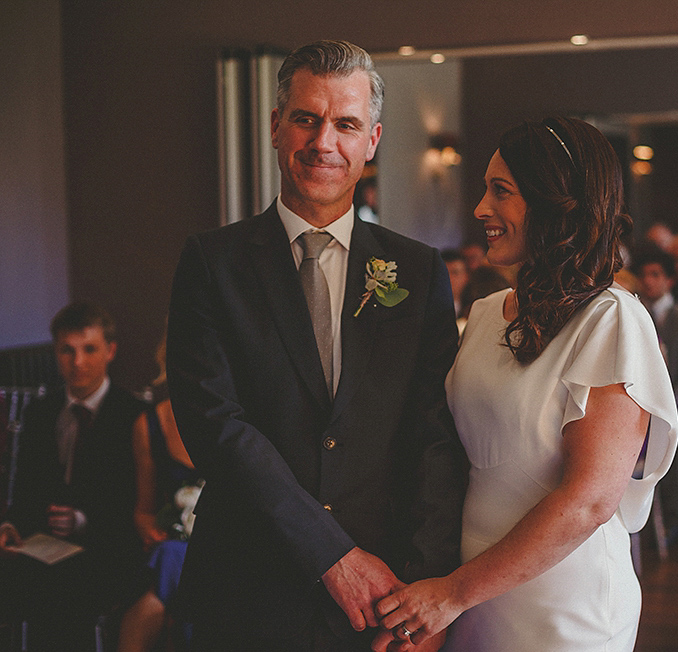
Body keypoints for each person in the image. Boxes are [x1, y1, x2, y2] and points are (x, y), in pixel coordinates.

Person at [165, 40, 466, 651]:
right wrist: (333, 557)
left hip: (385, 599)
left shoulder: (418, 271)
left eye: (346, 124)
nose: (324, 142)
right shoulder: (211, 263)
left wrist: (428, 594)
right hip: (247, 593)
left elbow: (435, 436)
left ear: (372, 141)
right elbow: (216, 427)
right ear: (277, 127)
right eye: (307, 117)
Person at [372, 117, 678, 652]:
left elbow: (588, 500)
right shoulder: (487, 313)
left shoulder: (611, 321)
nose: (480, 210)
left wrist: (451, 594)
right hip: (474, 600)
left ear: (555, 205)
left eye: (501, 192)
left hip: (560, 607)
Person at [0, 301, 147, 648]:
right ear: (56, 352)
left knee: (64, 585)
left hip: (106, 545)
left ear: (110, 351)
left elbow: (137, 501)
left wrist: (83, 519)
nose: (78, 362)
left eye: (89, 350)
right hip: (42, 545)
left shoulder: (134, 415)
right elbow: (24, 489)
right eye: (67, 351)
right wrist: (10, 527)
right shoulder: (40, 411)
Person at [118, 331, 202, 652]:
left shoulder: (244, 419)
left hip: (229, 550)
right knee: (169, 554)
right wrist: (149, 529)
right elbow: (143, 510)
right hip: (172, 547)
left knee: (170, 564)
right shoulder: (149, 424)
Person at [634, 245, 678, 543]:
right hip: (639, 402)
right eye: (644, 275)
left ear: (668, 280)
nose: (649, 281)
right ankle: (634, 514)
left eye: (656, 275)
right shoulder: (634, 317)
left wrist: (666, 405)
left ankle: (676, 512)